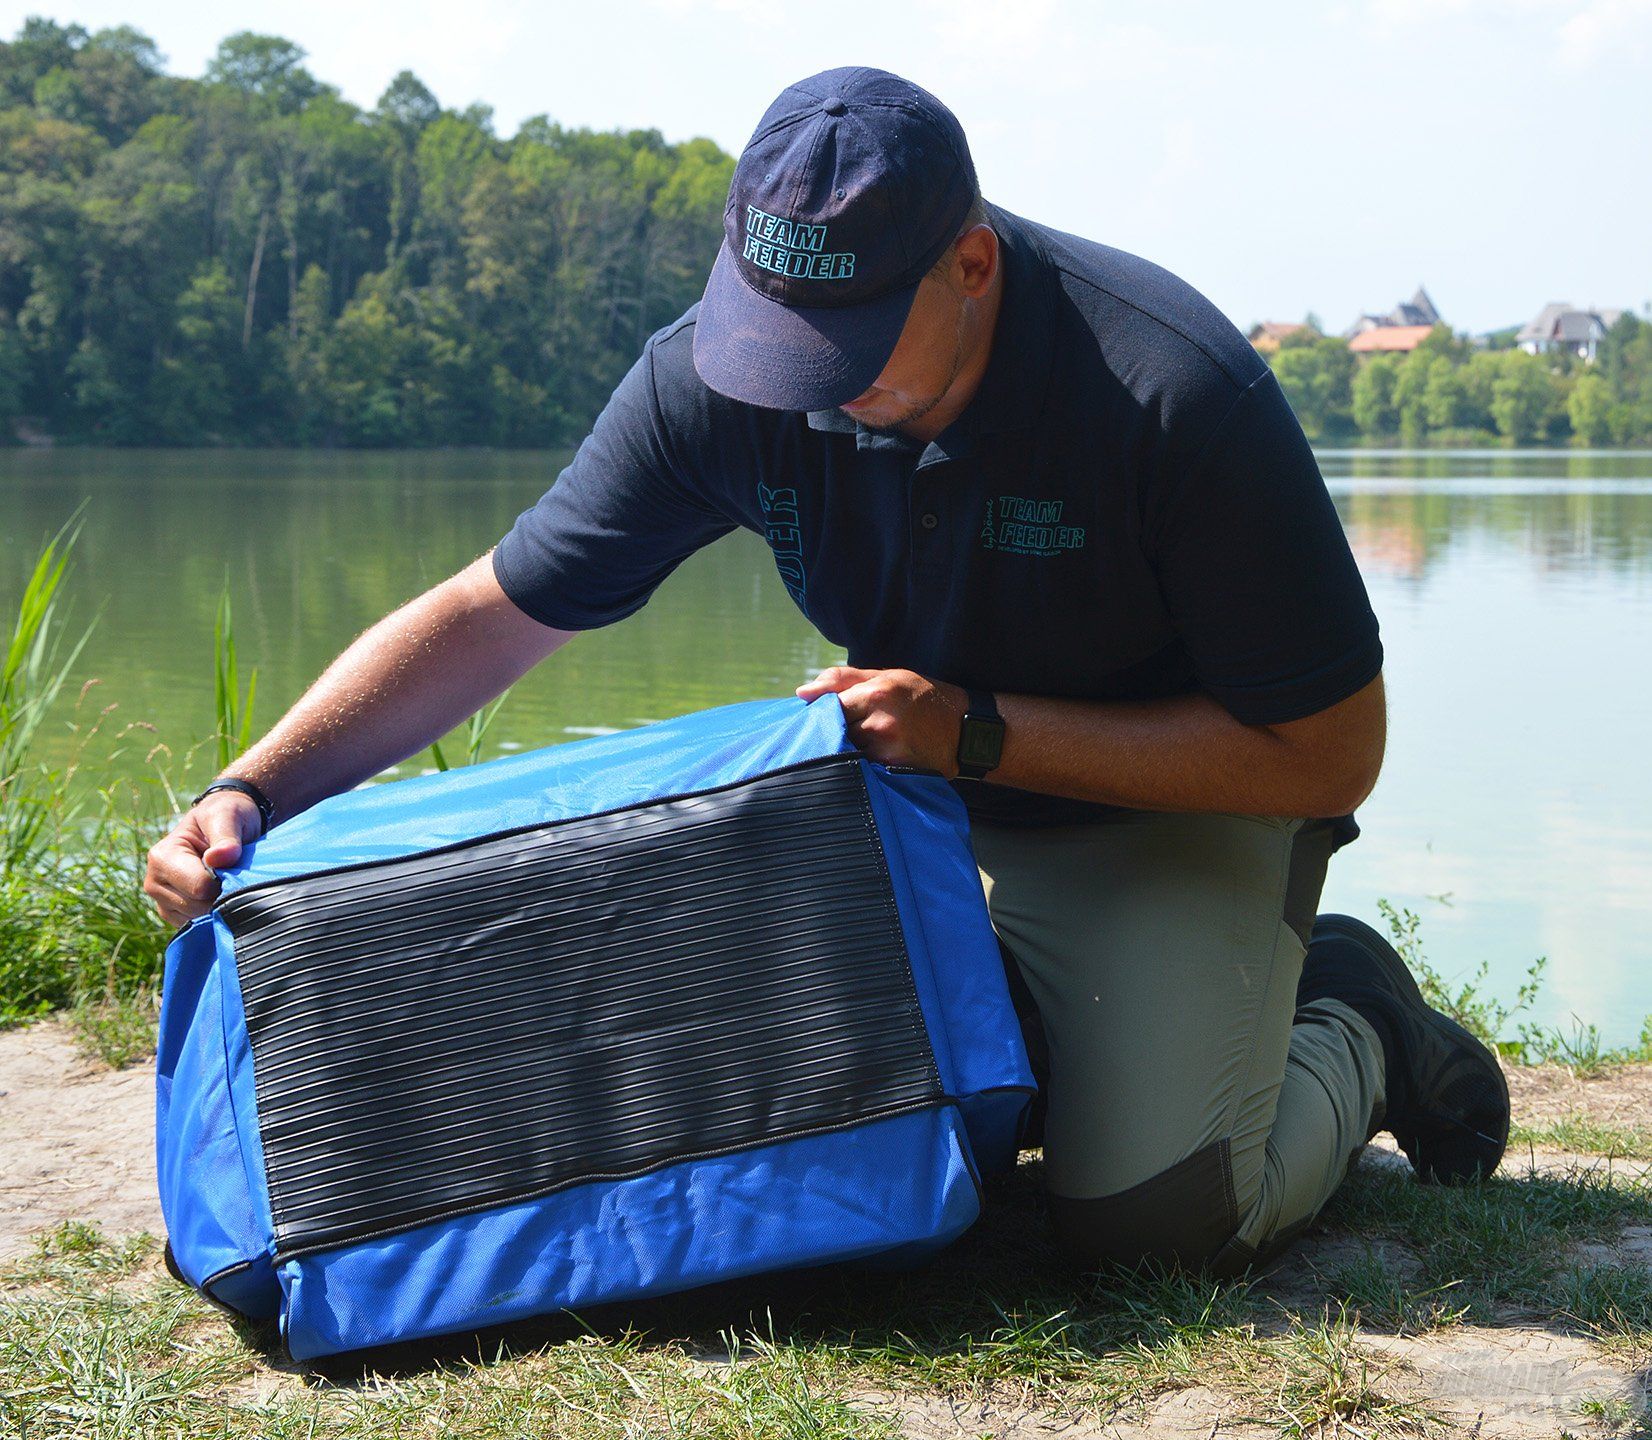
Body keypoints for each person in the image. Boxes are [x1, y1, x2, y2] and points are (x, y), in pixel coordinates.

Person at [145, 66, 1509, 1276]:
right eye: (777, 328)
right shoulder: (723, 381)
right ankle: (1045, 1041)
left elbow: (1328, 754)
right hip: (903, 796)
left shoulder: (1174, 391)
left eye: (848, 345)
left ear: (971, 266)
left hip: (1165, 811)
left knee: (1153, 1225)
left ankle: (1356, 1016)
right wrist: (254, 791)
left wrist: (979, 734)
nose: (805, 382)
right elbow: (500, 613)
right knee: (806, 1151)